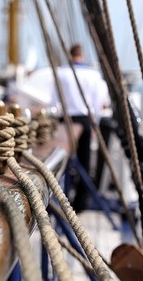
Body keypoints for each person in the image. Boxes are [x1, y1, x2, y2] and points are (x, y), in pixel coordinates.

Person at [50, 44, 110, 212]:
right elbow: (99, 102)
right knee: (84, 161)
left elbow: (55, 101)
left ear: (70, 55)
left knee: (62, 161)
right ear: (82, 55)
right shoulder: (94, 74)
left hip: (65, 120)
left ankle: (57, 201)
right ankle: (80, 205)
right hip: (85, 120)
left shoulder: (61, 73)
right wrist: (94, 122)